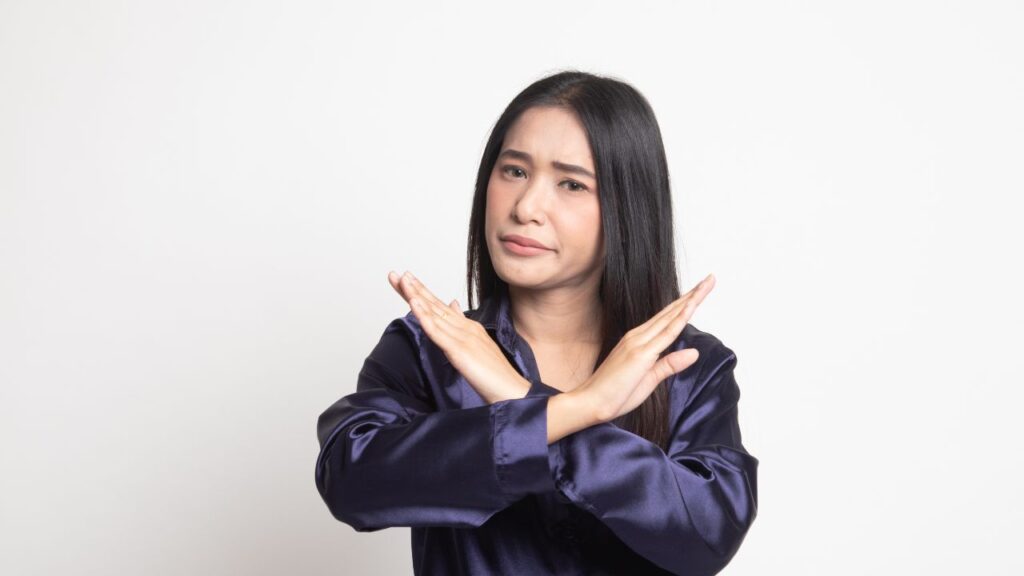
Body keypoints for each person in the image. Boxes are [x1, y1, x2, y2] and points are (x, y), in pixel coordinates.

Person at [315, 70, 758, 575]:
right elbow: (351, 481)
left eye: (571, 183)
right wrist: (579, 409)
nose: (526, 208)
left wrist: (519, 397)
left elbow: (707, 534)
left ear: (627, 208)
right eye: (514, 171)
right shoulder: (428, 347)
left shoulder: (685, 366)